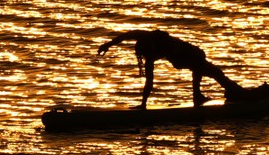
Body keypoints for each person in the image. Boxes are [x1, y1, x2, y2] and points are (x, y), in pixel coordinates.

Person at [97, 29, 246, 109]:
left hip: (189, 53)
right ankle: (199, 95)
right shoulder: (149, 50)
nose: (144, 58)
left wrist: (143, 105)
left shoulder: (148, 39)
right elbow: (149, 80)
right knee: (206, 69)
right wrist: (107, 45)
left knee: (213, 72)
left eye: (145, 54)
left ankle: (207, 94)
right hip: (182, 57)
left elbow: (125, 35)